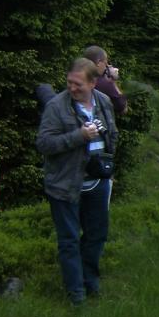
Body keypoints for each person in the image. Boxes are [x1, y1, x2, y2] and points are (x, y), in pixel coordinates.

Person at [37, 58, 119, 304]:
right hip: (64, 184)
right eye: (69, 82)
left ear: (94, 83)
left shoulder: (104, 102)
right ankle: (76, 294)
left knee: (96, 235)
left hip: (98, 181)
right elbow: (44, 144)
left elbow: (113, 135)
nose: (72, 88)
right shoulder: (56, 106)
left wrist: (109, 165)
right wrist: (79, 136)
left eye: (78, 85)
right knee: (69, 240)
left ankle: (90, 282)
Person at [82, 45, 128, 116]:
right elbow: (123, 109)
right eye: (105, 63)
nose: (106, 67)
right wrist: (113, 81)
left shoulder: (77, 78)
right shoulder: (105, 84)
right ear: (98, 62)